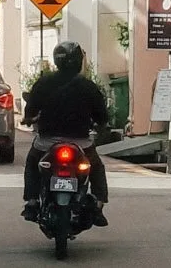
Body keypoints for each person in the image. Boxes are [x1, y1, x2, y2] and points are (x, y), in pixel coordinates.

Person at [21, 41, 110, 227]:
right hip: (81, 143)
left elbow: (31, 108)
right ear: (78, 61)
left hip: (47, 142)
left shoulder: (44, 82)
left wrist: (28, 118)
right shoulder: (87, 86)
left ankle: (31, 201)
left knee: (32, 163)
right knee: (96, 168)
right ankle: (99, 205)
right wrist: (101, 127)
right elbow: (102, 115)